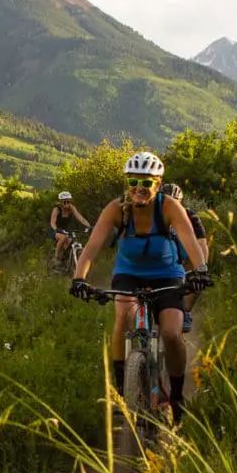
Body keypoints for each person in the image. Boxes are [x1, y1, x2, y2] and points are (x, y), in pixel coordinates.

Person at [70, 151, 210, 422]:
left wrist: (200, 270)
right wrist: (79, 278)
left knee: (171, 333)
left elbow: (192, 242)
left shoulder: (169, 207)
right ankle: (122, 390)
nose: (139, 188)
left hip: (167, 273)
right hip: (129, 273)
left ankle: (178, 396)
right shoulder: (115, 209)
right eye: (134, 181)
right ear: (127, 182)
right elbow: (91, 250)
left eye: (146, 183)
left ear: (157, 184)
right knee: (122, 316)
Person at [163, 183, 208, 330]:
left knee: (196, 280)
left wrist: (201, 269)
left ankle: (185, 311)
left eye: (175, 201)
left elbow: (201, 243)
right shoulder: (150, 215)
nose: (171, 205)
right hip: (157, 260)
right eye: (166, 200)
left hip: (182, 259)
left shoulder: (190, 216)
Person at [48, 191, 89, 267]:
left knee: (71, 242)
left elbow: (81, 218)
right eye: (64, 202)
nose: (66, 203)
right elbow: (52, 222)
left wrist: (89, 226)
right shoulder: (56, 209)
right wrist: (56, 229)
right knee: (63, 238)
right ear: (61, 202)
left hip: (65, 230)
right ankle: (56, 257)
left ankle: (66, 260)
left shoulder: (71, 208)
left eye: (68, 201)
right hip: (54, 230)